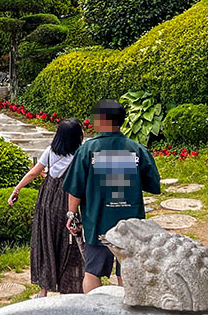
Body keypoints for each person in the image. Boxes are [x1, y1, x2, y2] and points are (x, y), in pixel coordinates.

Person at [62, 99, 161, 294]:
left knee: (92, 273)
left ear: (102, 120)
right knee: (128, 272)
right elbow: (152, 184)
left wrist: (71, 216)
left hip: (98, 223)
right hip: (131, 225)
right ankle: (128, 308)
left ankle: (95, 308)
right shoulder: (137, 149)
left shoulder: (87, 150)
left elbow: (75, 188)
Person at [9, 118, 85, 297]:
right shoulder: (79, 155)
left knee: (46, 241)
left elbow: (33, 172)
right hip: (68, 201)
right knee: (69, 243)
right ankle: (69, 289)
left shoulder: (50, 152)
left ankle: (43, 291)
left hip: (47, 200)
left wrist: (16, 190)